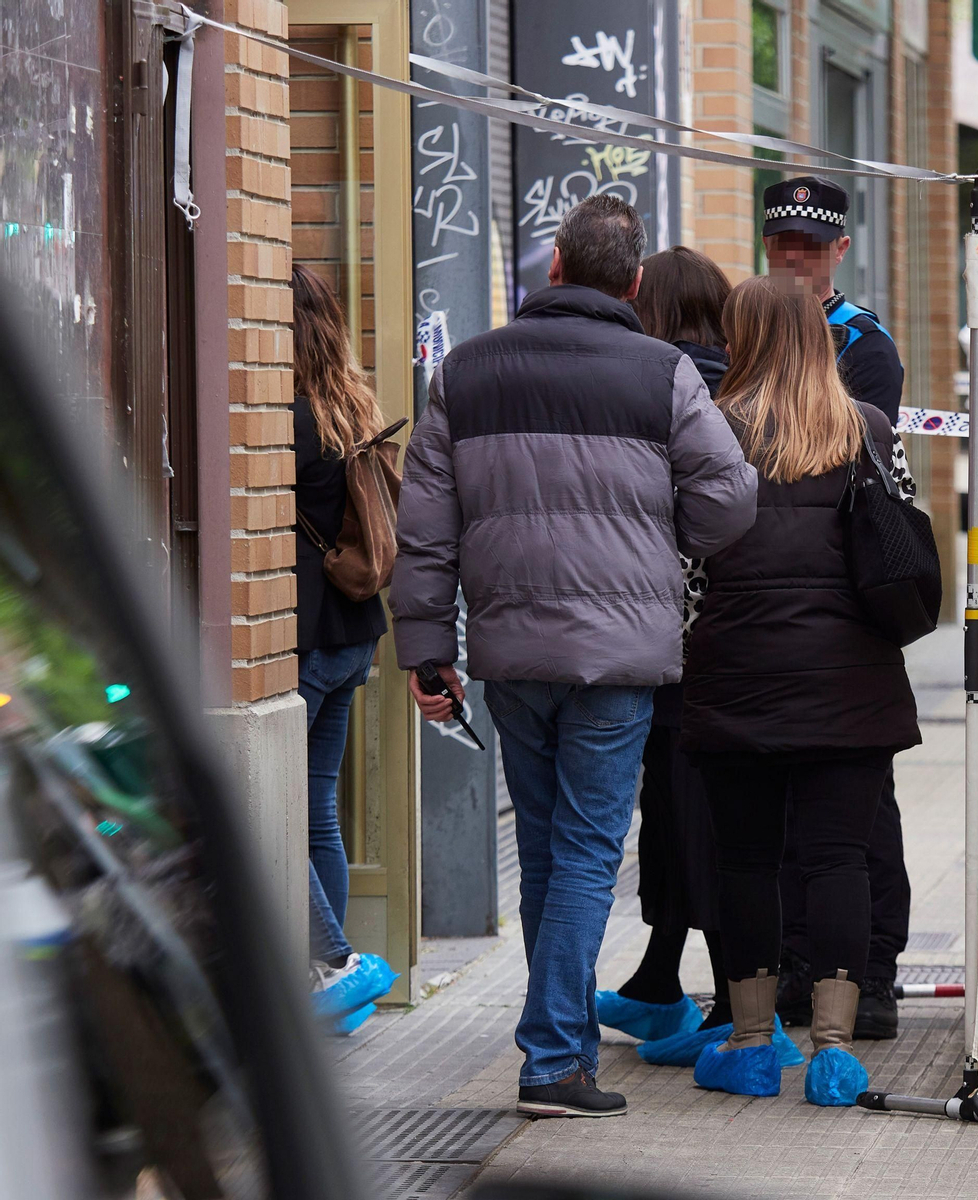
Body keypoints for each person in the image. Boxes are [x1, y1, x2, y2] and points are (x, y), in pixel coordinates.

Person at [389, 196, 757, 1119]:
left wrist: (429, 650)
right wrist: (658, 527)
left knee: (553, 851)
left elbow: (424, 529)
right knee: (589, 852)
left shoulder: (466, 372)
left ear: (553, 268)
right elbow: (728, 503)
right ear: (632, 283)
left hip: (512, 652)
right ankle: (553, 1059)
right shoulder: (664, 372)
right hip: (621, 654)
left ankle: (561, 1044)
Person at [682, 275, 921, 1107]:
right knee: (840, 860)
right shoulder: (869, 427)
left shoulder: (708, 430)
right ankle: (833, 1055)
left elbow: (685, 559)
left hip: (737, 675)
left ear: (741, 337)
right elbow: (901, 539)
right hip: (849, 682)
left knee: (746, 860)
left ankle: (751, 1047)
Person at [761, 175, 912, 1039]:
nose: (794, 259)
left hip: (844, 602)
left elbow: (852, 470)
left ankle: (874, 973)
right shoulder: (751, 332)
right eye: (783, 243)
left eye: (810, 248)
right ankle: (793, 963)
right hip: (774, 604)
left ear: (839, 253)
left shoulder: (864, 346)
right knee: (782, 802)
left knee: (861, 809)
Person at [593, 247, 736, 1041]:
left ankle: (721, 1001)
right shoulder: (738, 388)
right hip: (725, 638)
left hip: (661, 637)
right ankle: (661, 982)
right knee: (692, 815)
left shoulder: (654, 387)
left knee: (679, 815)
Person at [290, 264, 398, 1030]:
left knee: (279, 813)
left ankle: (332, 968)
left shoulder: (283, 416)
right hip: (351, 635)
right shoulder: (350, 407)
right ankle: (341, 992)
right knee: (317, 813)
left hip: (296, 637)